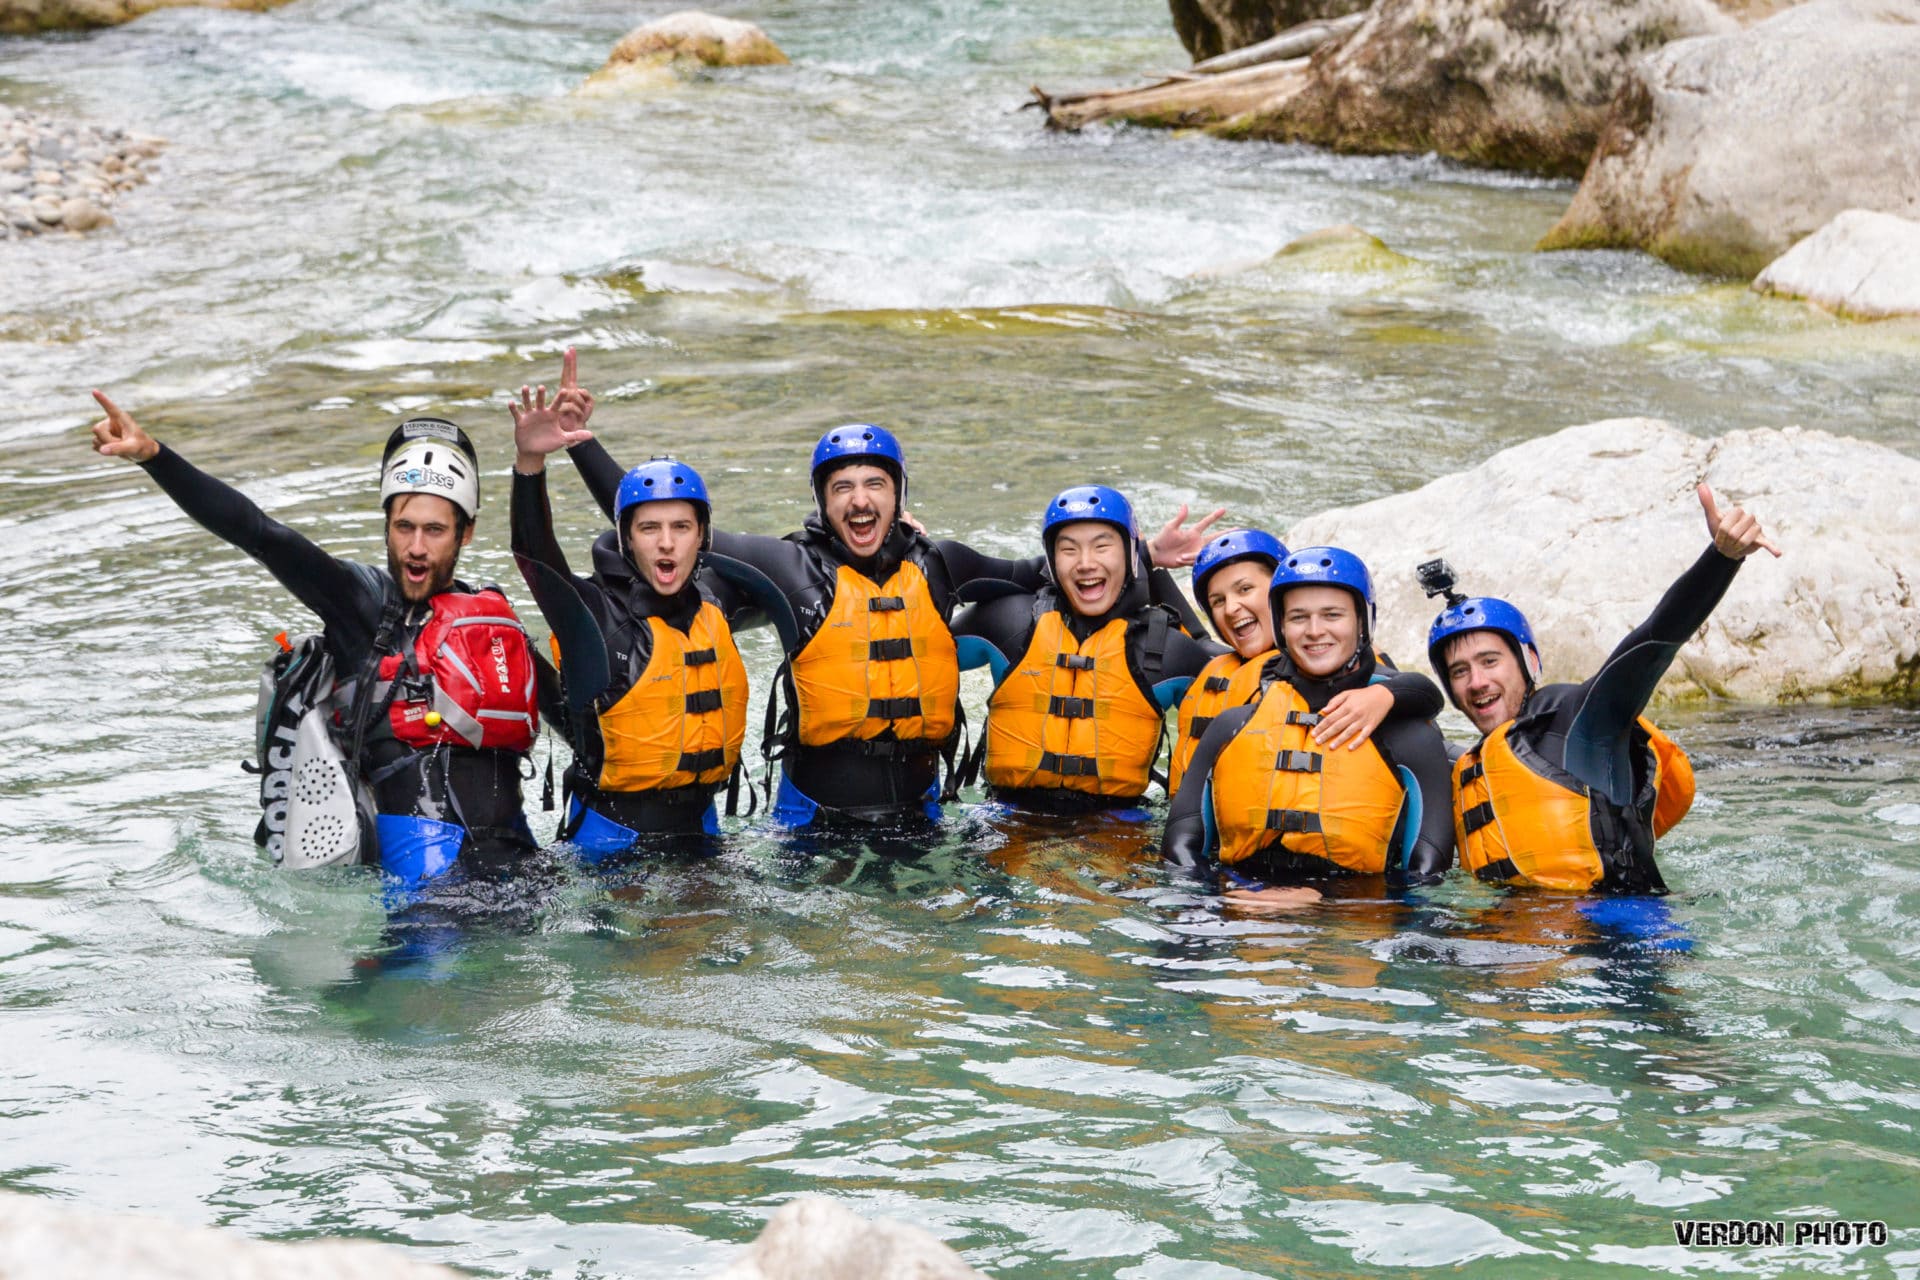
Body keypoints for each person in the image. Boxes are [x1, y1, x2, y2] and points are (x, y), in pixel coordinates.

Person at [552, 368, 1220, 829]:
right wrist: (581, 445)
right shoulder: (788, 566)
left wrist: (1143, 557)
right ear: (823, 502)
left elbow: (1043, 572)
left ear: (899, 495)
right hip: (812, 818)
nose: (859, 499)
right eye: (842, 487)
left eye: (875, 483)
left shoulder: (941, 564)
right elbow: (664, 519)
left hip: (920, 816)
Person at [86, 392, 541, 888]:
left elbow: (580, 718)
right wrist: (155, 457)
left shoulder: (495, 623)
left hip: (526, 871)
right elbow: (261, 534)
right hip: (427, 896)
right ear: (386, 526)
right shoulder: (360, 606)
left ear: (465, 533)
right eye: (403, 527)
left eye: (434, 530)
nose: (415, 547)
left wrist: (532, 464)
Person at [1426, 483, 1780, 894]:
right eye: (1459, 672)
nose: (1477, 682)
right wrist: (1386, 694)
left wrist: (1722, 559)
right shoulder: (1472, 766)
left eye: (1490, 661)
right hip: (1522, 930)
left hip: (1615, 929)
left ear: (1530, 663)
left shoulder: (1583, 722)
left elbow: (1654, 641)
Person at [507, 353, 750, 856]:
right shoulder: (596, 616)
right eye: (649, 528)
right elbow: (536, 557)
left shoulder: (719, 601)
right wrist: (530, 463)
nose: (666, 543)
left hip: (703, 836)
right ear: (626, 539)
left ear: (702, 536)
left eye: (681, 527)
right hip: (612, 848)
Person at [1162, 546, 1454, 903]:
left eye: (1332, 615)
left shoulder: (1413, 741)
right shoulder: (1229, 727)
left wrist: (1318, 902)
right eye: (1299, 617)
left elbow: (1427, 889)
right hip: (1234, 918)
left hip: (1350, 927)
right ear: (1281, 627)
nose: (1315, 631)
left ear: (1363, 622)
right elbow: (1179, 855)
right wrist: (1224, 903)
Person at [954, 485, 1226, 814]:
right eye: (1068, 549)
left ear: (1128, 554)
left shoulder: (1171, 650)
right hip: (1007, 820)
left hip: (1117, 827)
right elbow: (917, 640)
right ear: (1051, 559)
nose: (1085, 563)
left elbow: (1245, 698)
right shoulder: (1008, 621)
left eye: (1102, 547)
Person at [1171, 529, 1407, 798]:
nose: (1230, 608)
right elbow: (1186, 627)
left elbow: (1417, 689)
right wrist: (1149, 555)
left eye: (1245, 589)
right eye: (1218, 601)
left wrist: (1385, 694)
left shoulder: (1337, 662)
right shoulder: (1212, 663)